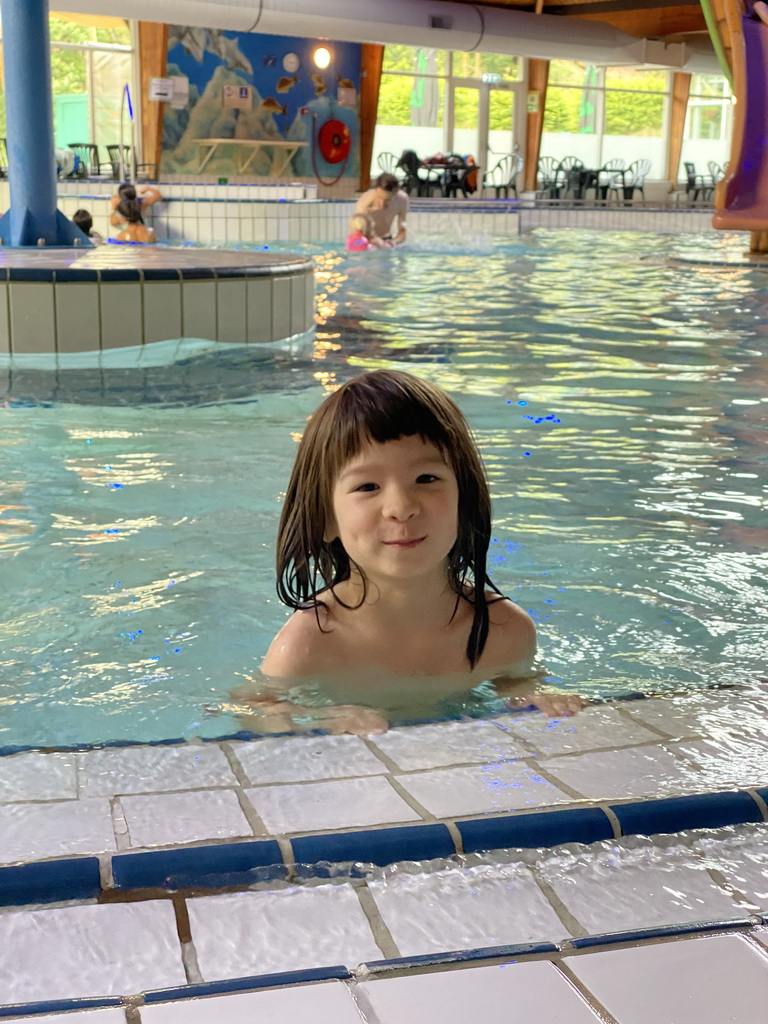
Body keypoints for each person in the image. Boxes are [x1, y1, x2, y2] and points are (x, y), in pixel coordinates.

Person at [252, 369, 586, 734]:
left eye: (427, 479)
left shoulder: (504, 633)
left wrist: (530, 694)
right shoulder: (308, 645)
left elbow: (515, 687)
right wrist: (316, 717)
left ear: (465, 500)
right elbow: (258, 714)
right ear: (325, 518)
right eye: (367, 486)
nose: (401, 506)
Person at [354, 173, 409, 246]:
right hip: (363, 241)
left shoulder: (402, 200)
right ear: (375, 190)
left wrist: (393, 242)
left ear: (396, 193)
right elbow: (358, 233)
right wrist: (375, 241)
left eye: (388, 200)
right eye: (379, 198)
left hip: (386, 240)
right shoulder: (365, 203)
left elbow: (402, 232)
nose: (382, 205)